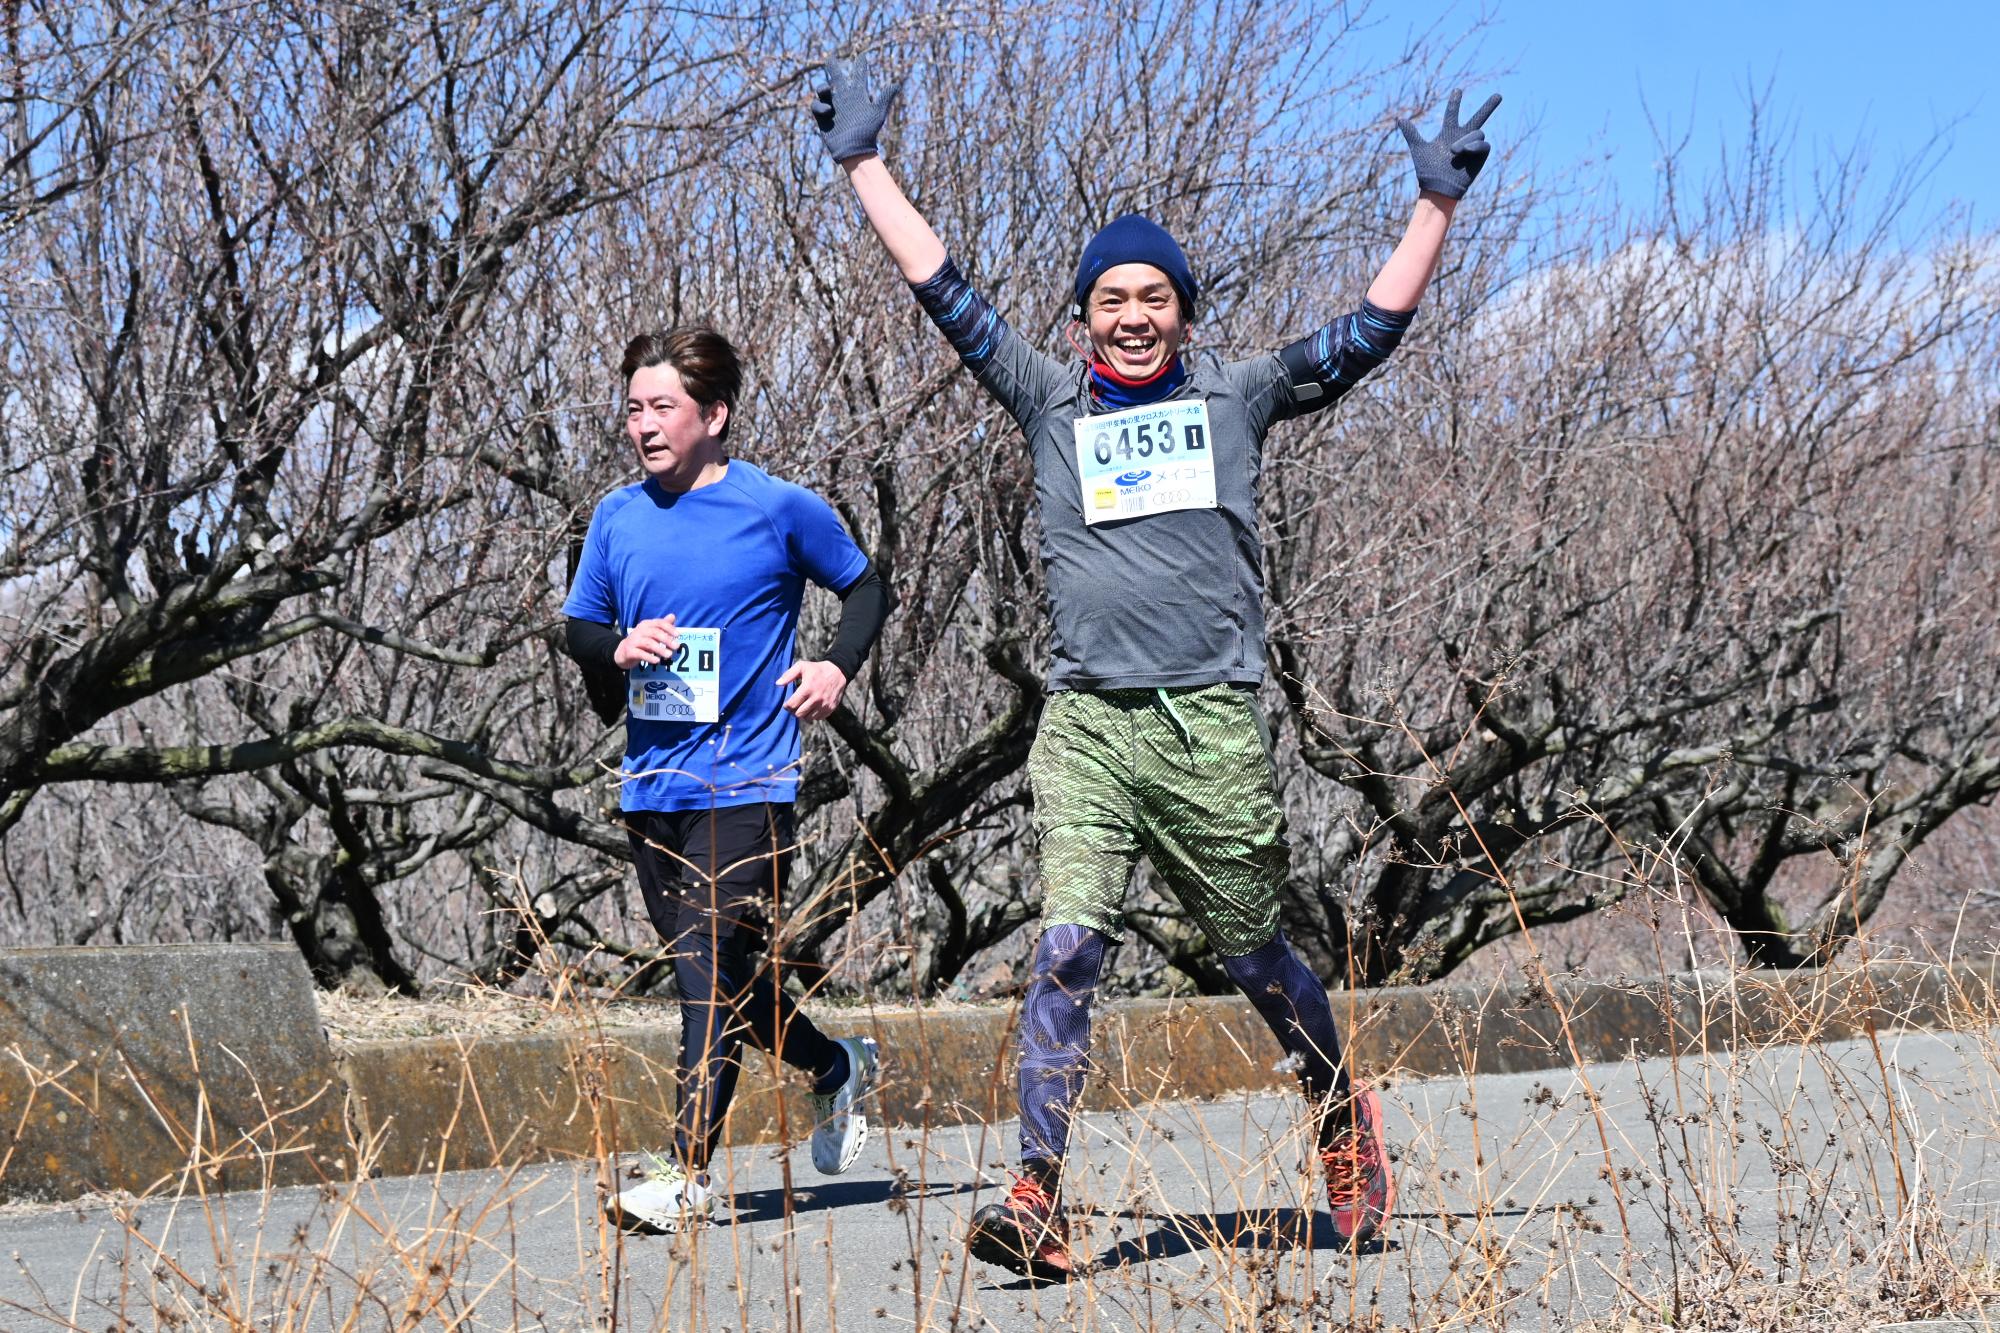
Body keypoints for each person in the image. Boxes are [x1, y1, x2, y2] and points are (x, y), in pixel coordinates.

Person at [811, 59, 1499, 1276]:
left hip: (1210, 727)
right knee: (1067, 942)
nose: (1131, 315)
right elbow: (942, 289)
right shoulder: (1046, 407)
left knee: (1251, 952)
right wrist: (865, 165)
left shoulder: (1238, 395)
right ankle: (1034, 1190)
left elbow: (1368, 336)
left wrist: (1432, 208)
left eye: (1153, 297)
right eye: (1109, 299)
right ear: (1081, 320)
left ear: (1184, 311)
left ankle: (1338, 1109)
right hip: (1087, 726)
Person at [562, 325, 892, 1233]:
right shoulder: (617, 517)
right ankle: (833, 1066)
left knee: (705, 975)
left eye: (661, 406)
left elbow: (866, 586)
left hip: (749, 780)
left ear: (714, 414)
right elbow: (580, 629)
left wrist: (834, 666)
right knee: (728, 978)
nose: (642, 424)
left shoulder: (778, 507)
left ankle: (684, 1170)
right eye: (632, 407)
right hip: (652, 784)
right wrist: (618, 646)